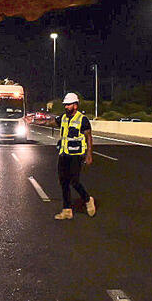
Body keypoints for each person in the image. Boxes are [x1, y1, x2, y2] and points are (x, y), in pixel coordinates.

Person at [55, 92, 95, 220]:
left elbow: (88, 137)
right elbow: (52, 122)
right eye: (65, 105)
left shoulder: (82, 119)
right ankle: (67, 210)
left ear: (75, 105)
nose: (66, 107)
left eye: (68, 105)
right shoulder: (63, 117)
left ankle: (88, 199)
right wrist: (33, 121)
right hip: (64, 154)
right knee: (63, 181)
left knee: (74, 181)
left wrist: (89, 154)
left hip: (76, 155)